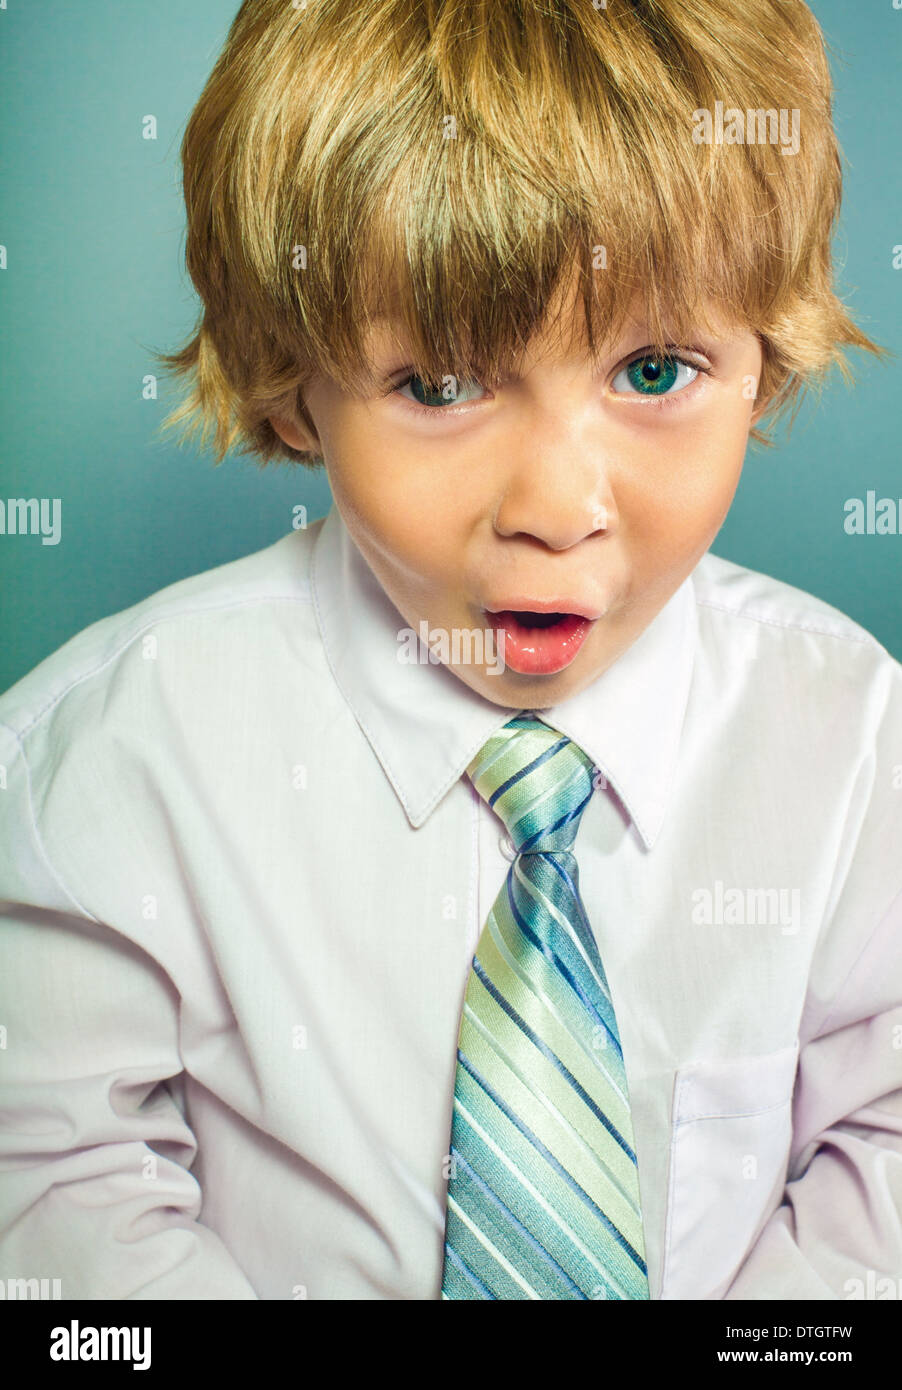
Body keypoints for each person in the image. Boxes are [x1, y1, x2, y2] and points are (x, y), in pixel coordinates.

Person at [1, 0, 899, 1301]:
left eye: (653, 372)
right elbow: (55, 1196)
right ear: (293, 381)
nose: (554, 504)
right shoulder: (94, 772)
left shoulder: (856, 749)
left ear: (765, 358)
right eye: (439, 385)